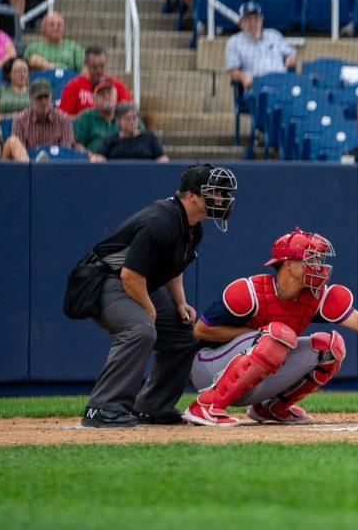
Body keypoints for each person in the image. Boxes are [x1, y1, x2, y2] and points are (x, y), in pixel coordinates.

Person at [72, 164, 236, 427]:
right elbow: (130, 275)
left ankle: (152, 408)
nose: (222, 199)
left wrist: (180, 303)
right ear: (192, 196)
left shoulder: (193, 227)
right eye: (215, 193)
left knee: (185, 335)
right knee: (140, 329)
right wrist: (149, 309)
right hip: (104, 280)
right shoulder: (161, 220)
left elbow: (174, 268)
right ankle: (102, 408)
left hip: (136, 282)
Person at [225, 2, 295, 92]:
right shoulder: (234, 42)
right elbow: (233, 71)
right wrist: (243, 77)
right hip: (258, 88)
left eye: (256, 19)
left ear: (261, 20)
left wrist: (291, 58)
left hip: (282, 84)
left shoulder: (274, 35)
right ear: (241, 23)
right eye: (248, 19)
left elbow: (291, 53)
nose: (253, 23)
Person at [59, 46, 132, 116]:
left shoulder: (116, 85)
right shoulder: (73, 86)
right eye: (94, 67)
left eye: (102, 66)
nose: (99, 70)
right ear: (86, 64)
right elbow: (63, 116)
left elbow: (129, 111)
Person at [11, 79, 78, 153]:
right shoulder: (20, 120)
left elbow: (65, 152)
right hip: (29, 162)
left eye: (46, 97)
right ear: (30, 98)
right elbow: (19, 153)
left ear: (51, 97)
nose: (43, 102)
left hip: (57, 162)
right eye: (39, 98)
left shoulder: (64, 120)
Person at [93, 103, 167, 162]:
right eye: (127, 118)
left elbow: (162, 158)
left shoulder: (150, 138)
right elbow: (99, 158)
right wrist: (98, 159)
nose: (132, 122)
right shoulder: (110, 140)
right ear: (118, 121)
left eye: (135, 118)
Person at [73, 80, 131, 152]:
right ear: (94, 99)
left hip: (123, 159)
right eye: (102, 94)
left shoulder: (128, 114)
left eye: (110, 93)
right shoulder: (85, 117)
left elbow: (141, 137)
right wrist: (91, 156)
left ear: (116, 96)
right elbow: (77, 145)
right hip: (95, 161)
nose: (106, 96)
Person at [0, 54, 29, 120]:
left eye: (25, 70)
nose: (22, 74)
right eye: (19, 71)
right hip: (2, 126)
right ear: (9, 73)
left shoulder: (34, 90)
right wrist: (9, 117)